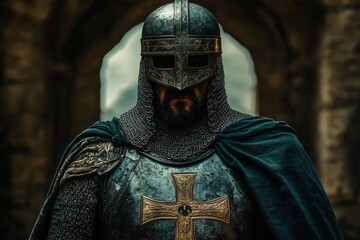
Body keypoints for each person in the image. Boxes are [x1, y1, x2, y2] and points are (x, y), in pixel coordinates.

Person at [30, 0, 343, 239]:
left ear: (216, 71)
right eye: (164, 64)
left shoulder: (269, 153)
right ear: (146, 70)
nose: (180, 84)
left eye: (197, 65)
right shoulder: (100, 161)